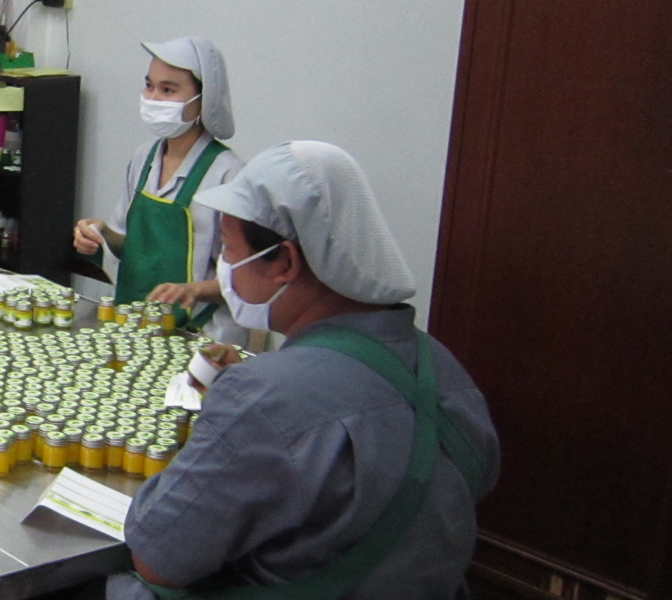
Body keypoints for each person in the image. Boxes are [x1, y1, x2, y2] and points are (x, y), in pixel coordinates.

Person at [108, 142, 500, 599]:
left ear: (286, 263)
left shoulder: (264, 398)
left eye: (229, 251)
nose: (224, 269)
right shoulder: (443, 368)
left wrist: (237, 416)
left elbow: (158, 559)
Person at [72, 37, 246, 343]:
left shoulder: (227, 174)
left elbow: (245, 279)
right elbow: (132, 246)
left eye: (168, 90)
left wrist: (193, 290)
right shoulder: (144, 158)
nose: (153, 98)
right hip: (136, 326)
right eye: (149, 86)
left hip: (200, 335)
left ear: (203, 99)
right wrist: (100, 233)